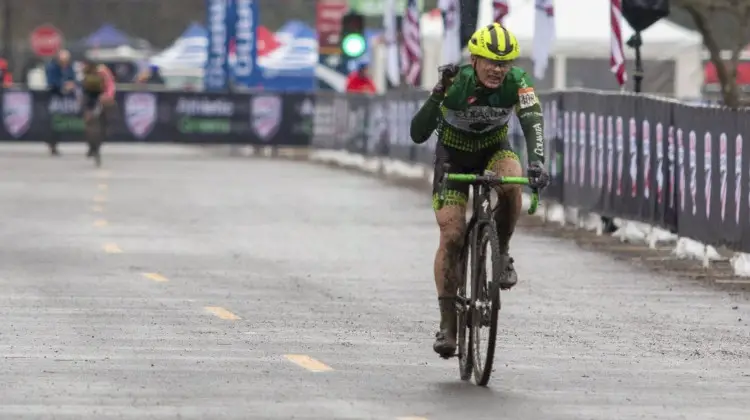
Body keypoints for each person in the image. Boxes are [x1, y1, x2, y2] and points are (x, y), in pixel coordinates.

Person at [409, 23, 550, 358]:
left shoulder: (517, 82)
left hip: (493, 150)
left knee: (513, 181)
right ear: (474, 58)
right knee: (453, 236)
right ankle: (448, 325)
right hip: (453, 159)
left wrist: (538, 162)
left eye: (504, 63)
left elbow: (533, 121)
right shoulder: (457, 84)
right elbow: (417, 133)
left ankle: (501, 255)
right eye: (490, 61)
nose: (497, 70)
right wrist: (437, 94)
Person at [79, 60, 116, 164]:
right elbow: (81, 88)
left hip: (101, 99)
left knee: (102, 127)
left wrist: (108, 96)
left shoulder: (103, 72)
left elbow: (110, 85)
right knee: (90, 125)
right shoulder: (84, 73)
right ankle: (92, 146)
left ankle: (95, 147)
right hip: (90, 99)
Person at [45, 49, 77, 156]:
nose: (65, 63)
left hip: (68, 98)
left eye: (66, 61)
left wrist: (72, 84)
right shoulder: (52, 68)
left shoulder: (70, 68)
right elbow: (51, 82)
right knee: (55, 120)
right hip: (56, 97)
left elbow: (74, 78)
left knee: (65, 120)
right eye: (63, 61)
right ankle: (52, 143)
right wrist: (62, 86)